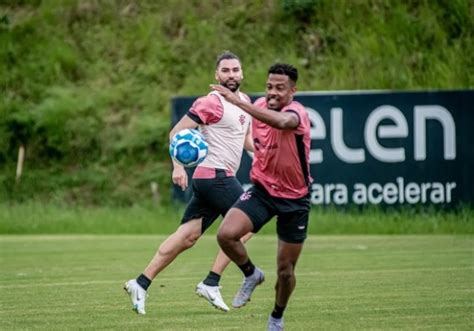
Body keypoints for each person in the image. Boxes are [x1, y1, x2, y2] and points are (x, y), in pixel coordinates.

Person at [124, 51, 254, 314]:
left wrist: (268, 158)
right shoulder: (210, 102)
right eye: (225, 71)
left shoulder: (245, 102)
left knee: (188, 236)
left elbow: (247, 142)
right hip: (215, 175)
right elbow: (176, 132)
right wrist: (178, 166)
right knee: (250, 220)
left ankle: (140, 283)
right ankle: (211, 282)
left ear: (242, 73)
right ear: (216, 75)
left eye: (235, 70)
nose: (231, 75)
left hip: (216, 178)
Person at [211, 63, 311, 331]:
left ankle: (277, 316)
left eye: (280, 88)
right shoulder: (259, 106)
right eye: (269, 87)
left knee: (286, 271)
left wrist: (238, 103)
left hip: (294, 198)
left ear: (293, 90)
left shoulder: (296, 113)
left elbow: (281, 122)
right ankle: (251, 274)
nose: (273, 93)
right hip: (263, 190)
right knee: (225, 235)